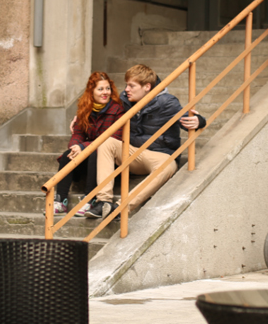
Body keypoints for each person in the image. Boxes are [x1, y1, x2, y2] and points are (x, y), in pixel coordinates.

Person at [87, 64, 206, 218]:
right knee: (107, 142)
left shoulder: (166, 102)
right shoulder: (125, 99)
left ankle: (121, 208)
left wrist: (199, 120)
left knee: (167, 166)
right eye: (126, 85)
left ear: (147, 87)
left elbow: (186, 118)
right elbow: (103, 107)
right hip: (133, 153)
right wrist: (81, 117)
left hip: (159, 155)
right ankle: (103, 202)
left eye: (131, 86)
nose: (126, 89)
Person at [51, 72, 125, 216]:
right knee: (67, 155)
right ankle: (60, 201)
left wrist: (83, 147)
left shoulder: (117, 110)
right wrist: (75, 147)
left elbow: (112, 137)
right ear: (91, 91)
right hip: (89, 156)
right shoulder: (85, 109)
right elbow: (78, 133)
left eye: (108, 88)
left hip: (109, 160)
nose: (105, 92)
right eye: (100, 89)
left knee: (96, 152)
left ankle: (89, 199)